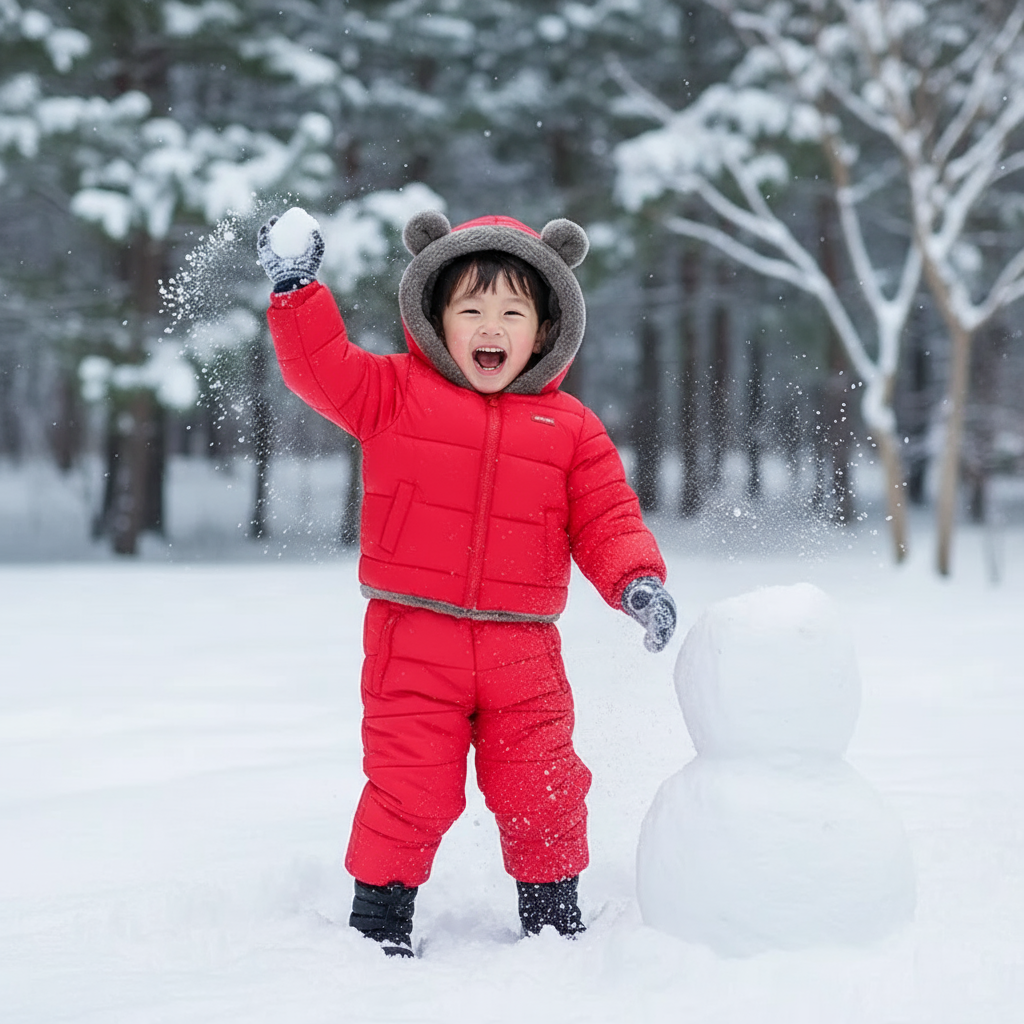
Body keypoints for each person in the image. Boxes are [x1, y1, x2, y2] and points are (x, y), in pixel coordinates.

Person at [258, 209, 677, 958]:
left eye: (513, 310)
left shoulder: (571, 429)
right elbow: (319, 368)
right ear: (436, 319)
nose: (492, 326)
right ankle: (380, 925)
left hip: (525, 651)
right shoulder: (392, 392)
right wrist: (298, 290)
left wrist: (636, 583)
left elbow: (608, 519)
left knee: (543, 788)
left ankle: (554, 923)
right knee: (408, 785)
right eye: (472, 309)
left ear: (544, 330)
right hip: (412, 639)